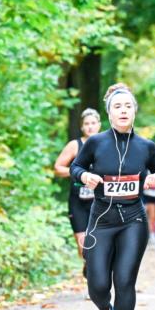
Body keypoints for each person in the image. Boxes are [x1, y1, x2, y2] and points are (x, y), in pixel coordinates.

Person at [71, 82, 155, 310]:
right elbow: (76, 166)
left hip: (133, 221)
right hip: (101, 219)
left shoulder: (146, 146)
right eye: (118, 107)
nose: (123, 111)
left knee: (125, 280)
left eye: (128, 106)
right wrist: (85, 176)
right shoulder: (95, 143)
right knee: (97, 285)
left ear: (135, 112)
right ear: (109, 113)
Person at [54, 108, 102, 270]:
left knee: (99, 244)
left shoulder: (107, 144)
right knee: (83, 246)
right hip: (78, 202)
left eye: (93, 123)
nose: (90, 127)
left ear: (99, 125)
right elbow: (58, 167)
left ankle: (96, 280)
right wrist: (80, 174)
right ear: (82, 127)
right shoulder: (75, 145)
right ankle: (89, 268)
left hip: (101, 201)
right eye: (86, 124)